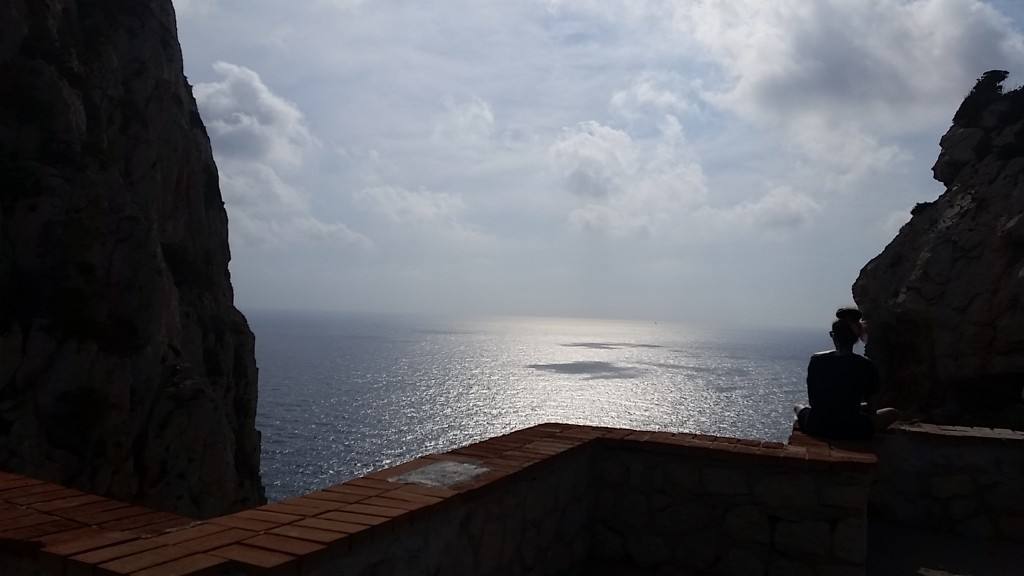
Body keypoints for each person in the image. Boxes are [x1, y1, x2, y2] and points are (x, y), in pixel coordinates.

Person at [794, 313, 900, 440]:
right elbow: (873, 409)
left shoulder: (816, 360)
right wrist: (853, 406)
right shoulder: (866, 365)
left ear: (834, 336)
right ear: (856, 337)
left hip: (816, 426)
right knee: (892, 413)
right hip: (853, 428)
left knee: (798, 407)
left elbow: (813, 402)